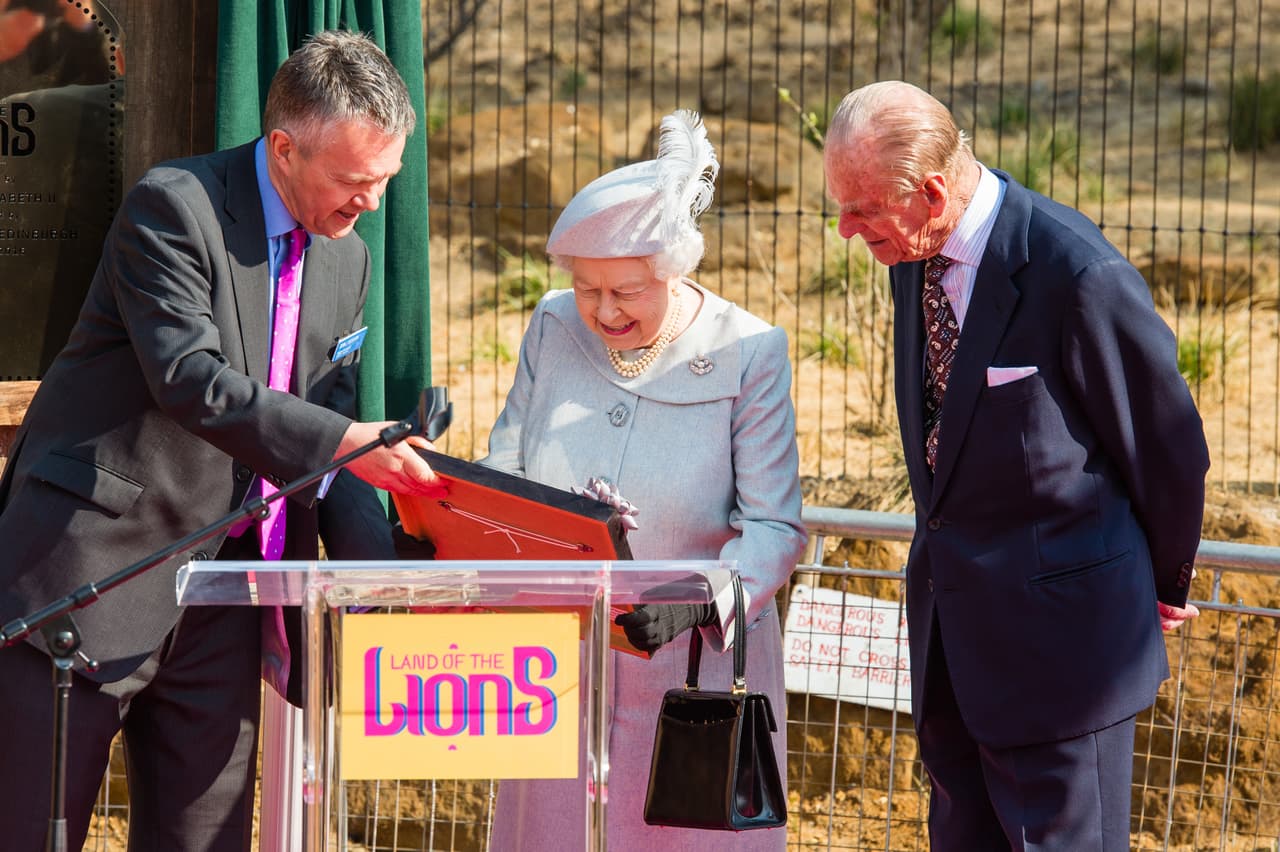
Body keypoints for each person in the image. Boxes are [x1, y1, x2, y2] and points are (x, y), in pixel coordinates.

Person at [0, 30, 440, 851]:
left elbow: (329, 454)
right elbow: (191, 379)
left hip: (228, 596)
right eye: (354, 181)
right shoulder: (173, 207)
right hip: (92, 575)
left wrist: (384, 576)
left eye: (386, 180)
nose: (371, 204)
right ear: (282, 147)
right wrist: (347, 437)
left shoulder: (350, 262)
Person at [821, 80, 1210, 850]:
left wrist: (1159, 583)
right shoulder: (913, 254)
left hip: (1065, 662)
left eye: (861, 209)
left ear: (932, 193)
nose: (844, 229)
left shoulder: (1076, 273)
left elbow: (1168, 444)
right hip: (954, 655)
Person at [480, 109, 807, 850]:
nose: (600, 311)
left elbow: (774, 528)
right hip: (559, 664)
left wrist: (699, 606)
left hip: (692, 669)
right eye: (586, 288)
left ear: (674, 267)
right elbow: (507, 472)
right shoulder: (552, 326)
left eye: (625, 290)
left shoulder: (749, 352)